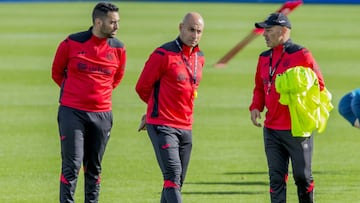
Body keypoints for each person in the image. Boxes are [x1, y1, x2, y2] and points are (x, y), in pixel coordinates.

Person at [249, 13, 329, 203]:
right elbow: (260, 86)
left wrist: (301, 92)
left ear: (283, 31)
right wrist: (256, 107)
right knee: (276, 179)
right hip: (272, 130)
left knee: (302, 177)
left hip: (297, 129)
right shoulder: (263, 57)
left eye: (268, 30)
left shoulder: (302, 54)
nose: (264, 34)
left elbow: (320, 86)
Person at [51, 2, 126, 202]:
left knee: (94, 166)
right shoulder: (71, 43)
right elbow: (57, 73)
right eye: (112, 22)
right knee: (72, 164)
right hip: (72, 112)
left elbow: (116, 78)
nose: (117, 27)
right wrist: (76, 94)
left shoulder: (119, 48)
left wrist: (98, 96)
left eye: (118, 22)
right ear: (98, 22)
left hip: (102, 114)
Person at [135, 12, 205, 203]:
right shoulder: (163, 54)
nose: (195, 35)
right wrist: (153, 111)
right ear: (180, 27)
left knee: (175, 182)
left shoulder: (200, 58)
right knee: (172, 176)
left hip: (186, 127)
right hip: (163, 124)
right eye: (191, 30)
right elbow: (142, 87)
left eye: (199, 31)